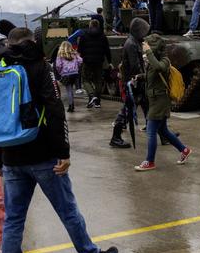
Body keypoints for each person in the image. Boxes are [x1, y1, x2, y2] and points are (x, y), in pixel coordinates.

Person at [0, 27, 118, 253]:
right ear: (32, 42)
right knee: (67, 210)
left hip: (11, 156)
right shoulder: (40, 67)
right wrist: (64, 152)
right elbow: (55, 109)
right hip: (44, 155)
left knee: (13, 221)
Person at [134, 34, 192, 171]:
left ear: (153, 47)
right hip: (155, 99)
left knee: (151, 131)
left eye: (147, 45)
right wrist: (139, 77)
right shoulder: (152, 59)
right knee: (163, 130)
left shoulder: (164, 60)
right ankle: (184, 150)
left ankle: (150, 161)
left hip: (160, 101)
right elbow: (153, 74)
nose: (144, 47)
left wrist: (148, 52)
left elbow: (159, 68)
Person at [110, 18, 151, 149]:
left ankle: (163, 134)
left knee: (149, 109)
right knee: (127, 111)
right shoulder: (132, 44)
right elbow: (135, 66)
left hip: (137, 82)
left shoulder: (135, 42)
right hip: (134, 83)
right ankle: (115, 137)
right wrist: (144, 76)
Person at [77, 19, 111, 108]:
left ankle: (92, 95)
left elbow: (79, 50)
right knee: (98, 81)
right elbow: (107, 50)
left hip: (87, 61)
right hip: (99, 61)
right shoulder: (103, 36)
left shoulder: (84, 36)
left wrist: (83, 56)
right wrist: (110, 62)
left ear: (90, 25)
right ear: (98, 26)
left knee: (85, 79)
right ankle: (97, 102)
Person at [55, 41, 83, 112]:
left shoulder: (60, 55)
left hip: (66, 74)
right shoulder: (74, 54)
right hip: (75, 74)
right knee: (71, 90)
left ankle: (71, 106)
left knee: (69, 90)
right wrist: (77, 67)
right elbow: (80, 61)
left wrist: (60, 72)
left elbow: (58, 65)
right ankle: (72, 104)